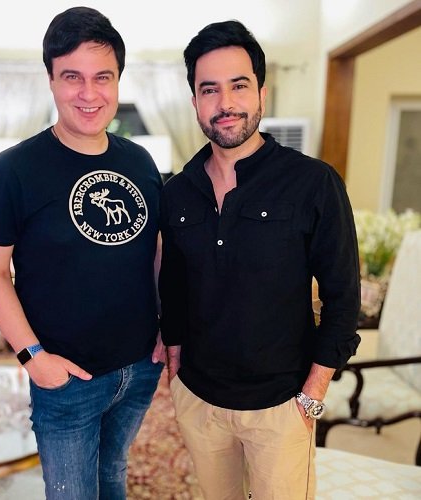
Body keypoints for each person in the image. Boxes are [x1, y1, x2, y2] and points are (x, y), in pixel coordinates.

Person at [159, 20, 361, 500]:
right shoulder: (177, 191)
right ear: (194, 101)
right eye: (209, 89)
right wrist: (175, 362)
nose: (225, 103)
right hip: (200, 400)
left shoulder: (314, 183)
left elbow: (343, 296)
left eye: (239, 85)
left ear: (262, 93)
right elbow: (174, 283)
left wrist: (313, 392)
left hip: (281, 406)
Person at [0, 7, 164, 500]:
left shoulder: (140, 161)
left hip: (140, 367)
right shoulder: (11, 171)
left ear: (118, 80)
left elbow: (154, 249)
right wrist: (33, 357)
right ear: (51, 80)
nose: (89, 93)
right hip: (66, 377)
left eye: (103, 77)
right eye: (72, 77)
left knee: (113, 475)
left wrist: (168, 324)